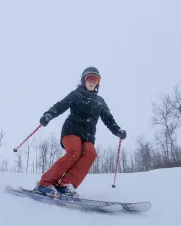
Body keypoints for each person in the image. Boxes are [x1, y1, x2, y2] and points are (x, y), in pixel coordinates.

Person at [34, 66, 127, 198]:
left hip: (88, 137)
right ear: (84, 80)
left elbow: (109, 119)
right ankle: (44, 183)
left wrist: (118, 131)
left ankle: (65, 185)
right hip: (71, 131)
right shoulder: (76, 94)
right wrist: (49, 115)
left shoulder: (100, 102)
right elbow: (61, 105)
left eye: (95, 80)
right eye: (90, 78)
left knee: (91, 153)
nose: (92, 82)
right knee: (74, 151)